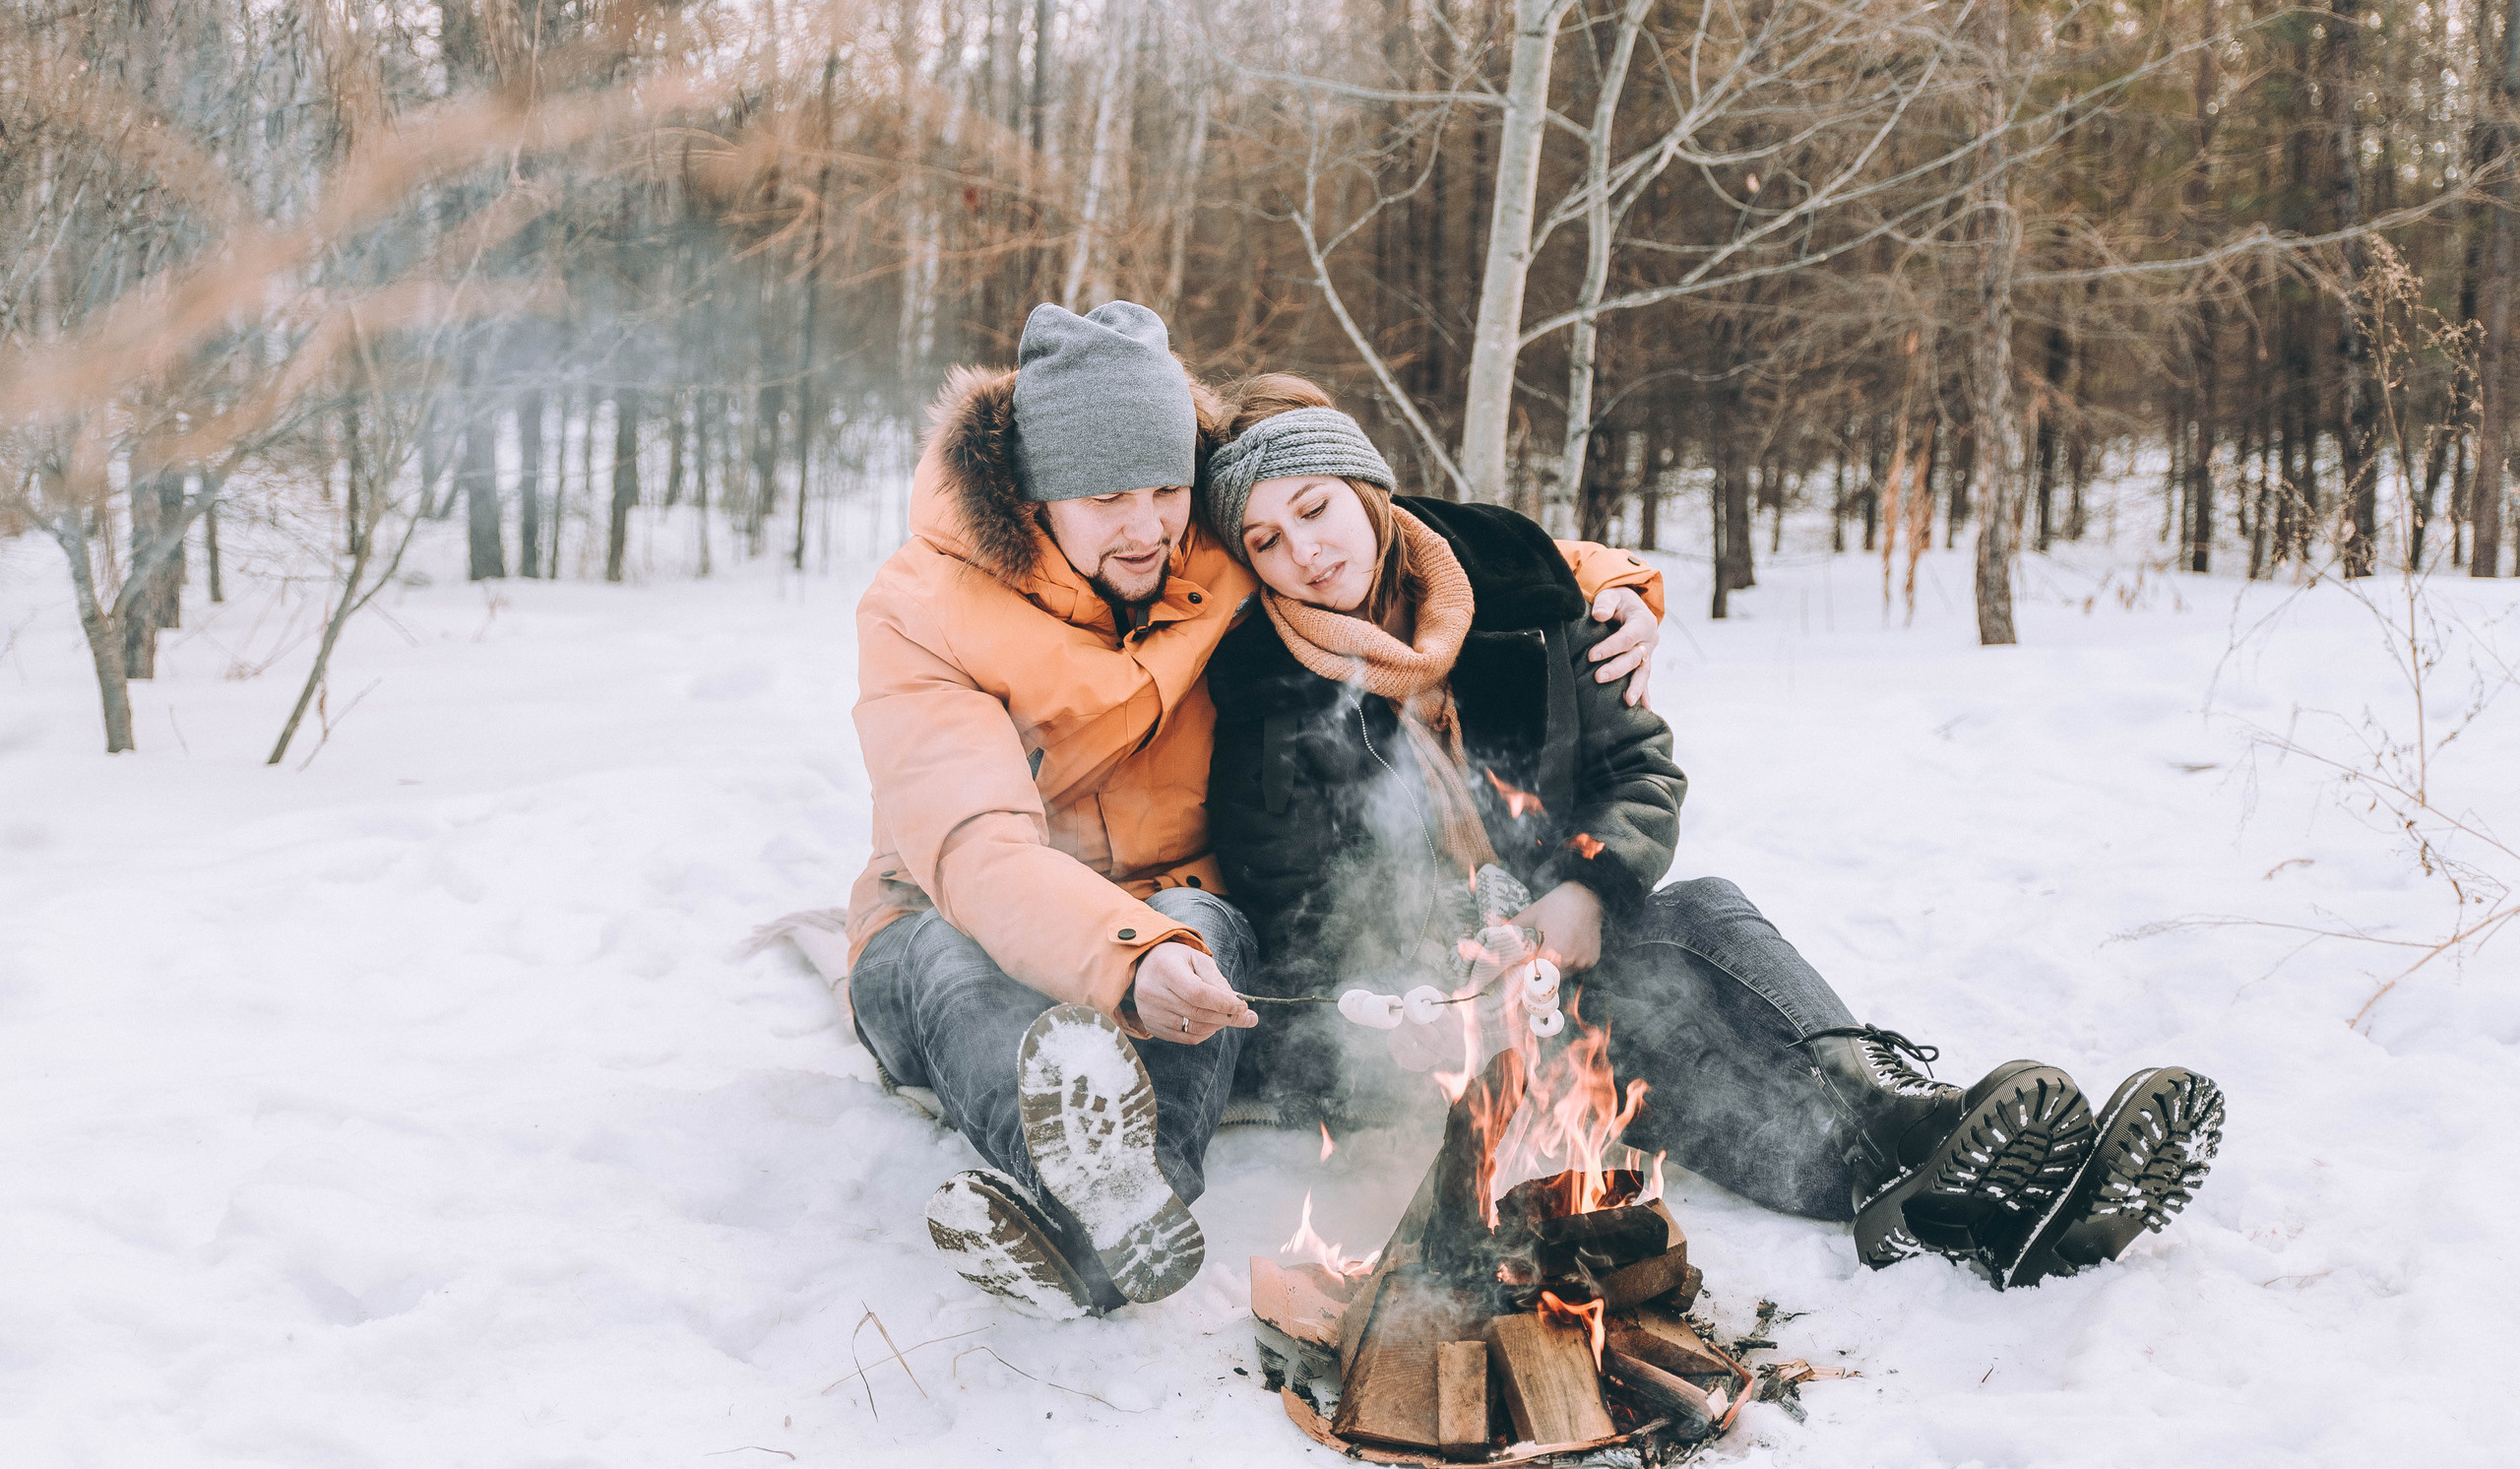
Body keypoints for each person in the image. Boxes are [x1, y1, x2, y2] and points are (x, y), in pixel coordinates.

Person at [1200, 377, 2226, 1290]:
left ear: (1364, 487)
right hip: (1428, 1024)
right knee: (1641, 1020)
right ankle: (1931, 1173)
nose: (1305, 554)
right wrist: (1413, 994)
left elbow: (1636, 771)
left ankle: (1942, 1142)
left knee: (1695, 918)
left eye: (1313, 509)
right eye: (1264, 541)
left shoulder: (1521, 587)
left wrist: (1587, 887)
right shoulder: (1262, 691)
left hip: (1559, 949)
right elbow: (1294, 908)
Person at [846, 303, 1667, 1314]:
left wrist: (1617, 587)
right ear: (1033, 492)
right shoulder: (921, 612)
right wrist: (1122, 955)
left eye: (1165, 489)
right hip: (957, 909)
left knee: (1202, 923)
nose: (1146, 525)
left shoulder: (1218, 545)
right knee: (953, 955)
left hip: (1171, 916)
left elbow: (1427, 539)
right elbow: (976, 853)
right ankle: (1078, 1202)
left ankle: (1139, 1196)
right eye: (1106, 497)